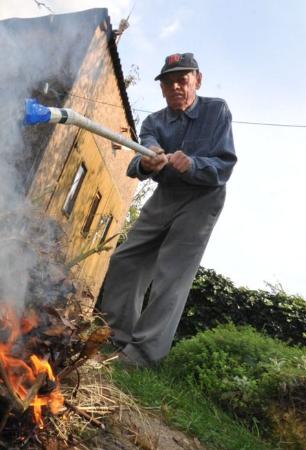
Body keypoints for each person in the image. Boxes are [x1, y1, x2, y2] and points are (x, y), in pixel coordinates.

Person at [100, 52, 237, 367]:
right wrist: (147, 161)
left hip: (204, 197)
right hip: (167, 193)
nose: (175, 87)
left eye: (182, 80)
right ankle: (116, 338)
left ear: (197, 80)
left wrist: (193, 163)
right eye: (168, 82)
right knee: (127, 258)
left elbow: (224, 165)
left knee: (171, 273)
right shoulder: (154, 122)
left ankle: (143, 355)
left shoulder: (216, 111)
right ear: (161, 89)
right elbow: (137, 159)